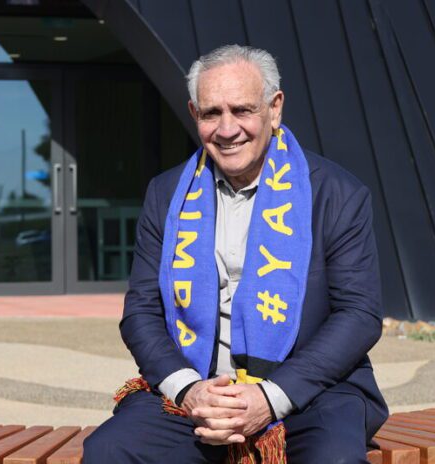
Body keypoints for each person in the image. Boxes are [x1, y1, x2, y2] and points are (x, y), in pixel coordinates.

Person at [83, 44, 388, 463]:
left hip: (309, 392)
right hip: (198, 391)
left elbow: (359, 314)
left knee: (334, 459)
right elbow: (141, 312)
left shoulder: (337, 195)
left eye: (242, 110)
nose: (227, 130)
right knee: (109, 451)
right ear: (194, 114)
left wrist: (269, 398)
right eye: (212, 113)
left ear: (274, 109)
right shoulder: (165, 195)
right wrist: (188, 390)